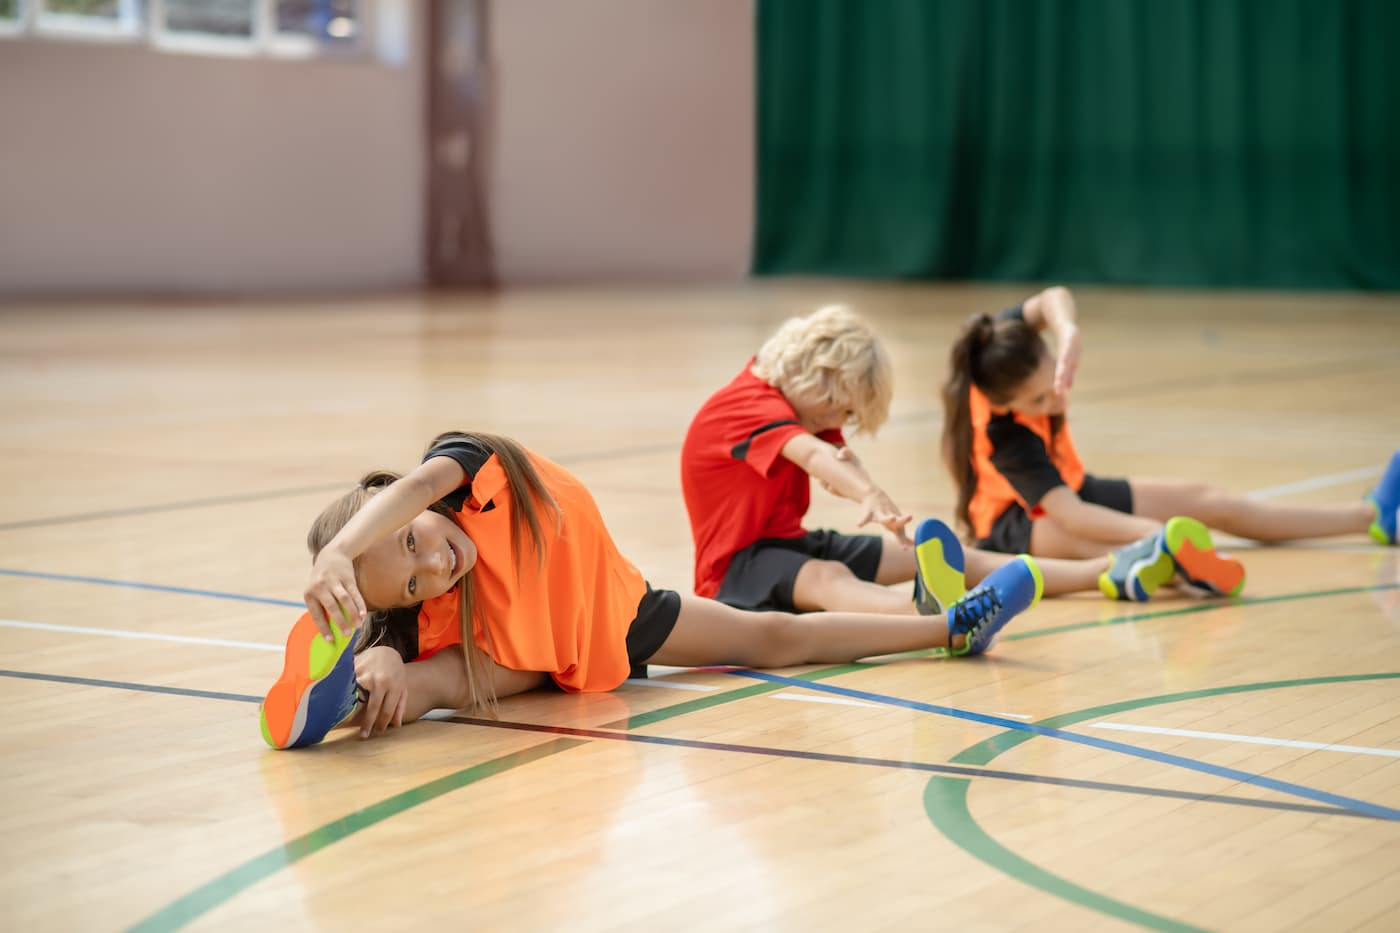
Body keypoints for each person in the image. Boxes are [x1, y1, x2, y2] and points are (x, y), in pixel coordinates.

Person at [259, 430, 1044, 750]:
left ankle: (950, 627)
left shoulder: (465, 469)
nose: (436, 565)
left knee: (776, 636)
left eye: (412, 542)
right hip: (537, 656)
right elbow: (453, 654)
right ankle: (350, 695)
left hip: (616, 611)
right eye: (415, 581)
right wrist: (393, 663)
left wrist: (341, 549)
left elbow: (423, 483)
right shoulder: (446, 606)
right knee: (430, 676)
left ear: (409, 503)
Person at [680, 303, 1201, 615]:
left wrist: (884, 512)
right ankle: (933, 615)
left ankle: (1111, 570)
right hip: (735, 570)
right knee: (829, 579)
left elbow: (839, 456)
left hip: (785, 544)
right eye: (839, 407)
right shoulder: (746, 405)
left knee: (955, 554)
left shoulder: (800, 403)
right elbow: (815, 455)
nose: (836, 419)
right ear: (819, 374)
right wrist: (871, 493)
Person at [940, 285, 1400, 595]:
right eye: (1040, 400)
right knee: (1118, 546)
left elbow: (1054, 297)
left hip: (1068, 487)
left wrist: (1067, 331)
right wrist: (1156, 534)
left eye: (1054, 379)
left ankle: (1369, 516)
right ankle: (1165, 565)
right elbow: (1073, 515)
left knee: (1208, 500)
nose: (1057, 398)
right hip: (1014, 526)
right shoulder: (1005, 436)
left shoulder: (998, 343)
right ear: (1004, 404)